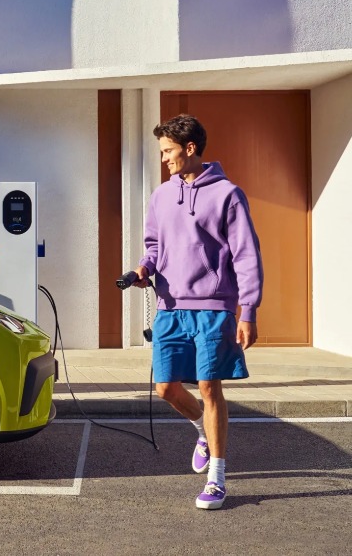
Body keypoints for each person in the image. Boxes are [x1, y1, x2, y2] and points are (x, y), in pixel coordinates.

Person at [130, 114, 263, 510]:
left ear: (190, 149)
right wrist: (144, 269)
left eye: (168, 151)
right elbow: (153, 246)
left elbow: (246, 255)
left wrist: (248, 311)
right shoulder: (161, 195)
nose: (165, 159)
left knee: (209, 388)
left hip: (213, 307)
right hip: (170, 307)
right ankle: (201, 431)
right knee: (166, 389)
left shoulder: (228, 195)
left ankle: (217, 479)